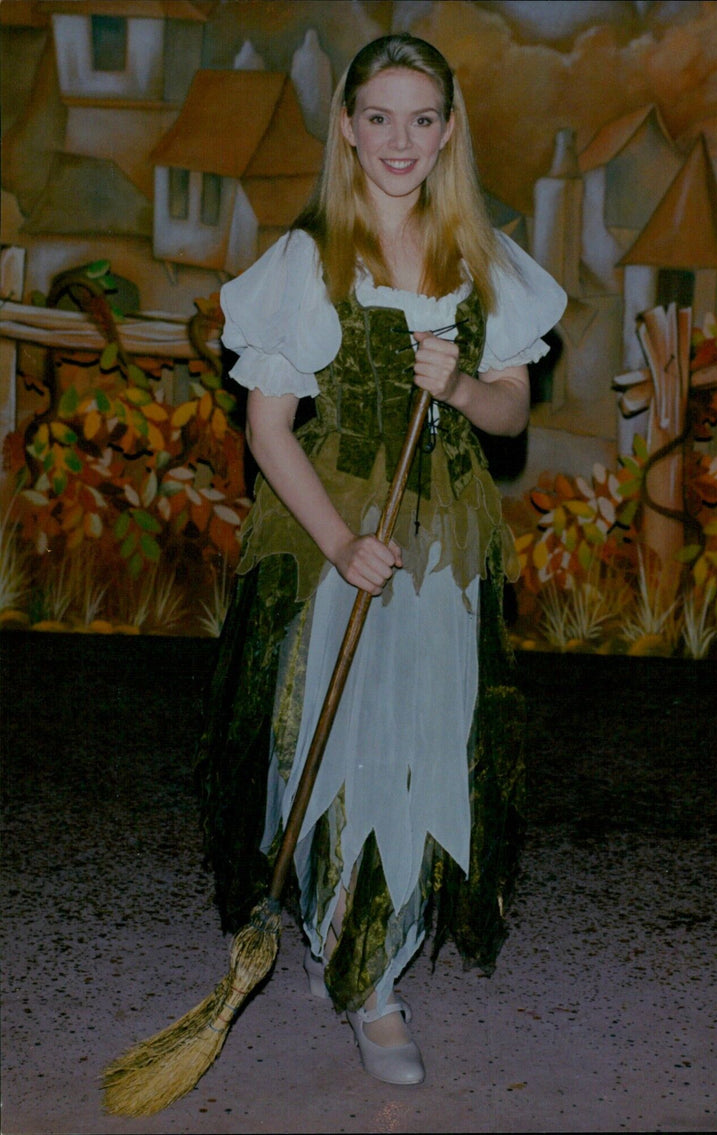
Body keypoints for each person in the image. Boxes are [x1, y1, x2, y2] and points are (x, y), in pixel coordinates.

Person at [196, 32, 566, 1086]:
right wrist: (339, 543)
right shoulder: (310, 258)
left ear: (447, 132)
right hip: (333, 532)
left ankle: (369, 968)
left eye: (420, 119)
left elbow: (508, 416)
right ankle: (344, 940)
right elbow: (269, 429)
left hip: (440, 537)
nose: (398, 140)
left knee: (418, 741)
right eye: (377, 117)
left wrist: (457, 387)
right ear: (347, 129)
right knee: (331, 738)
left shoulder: (481, 259)